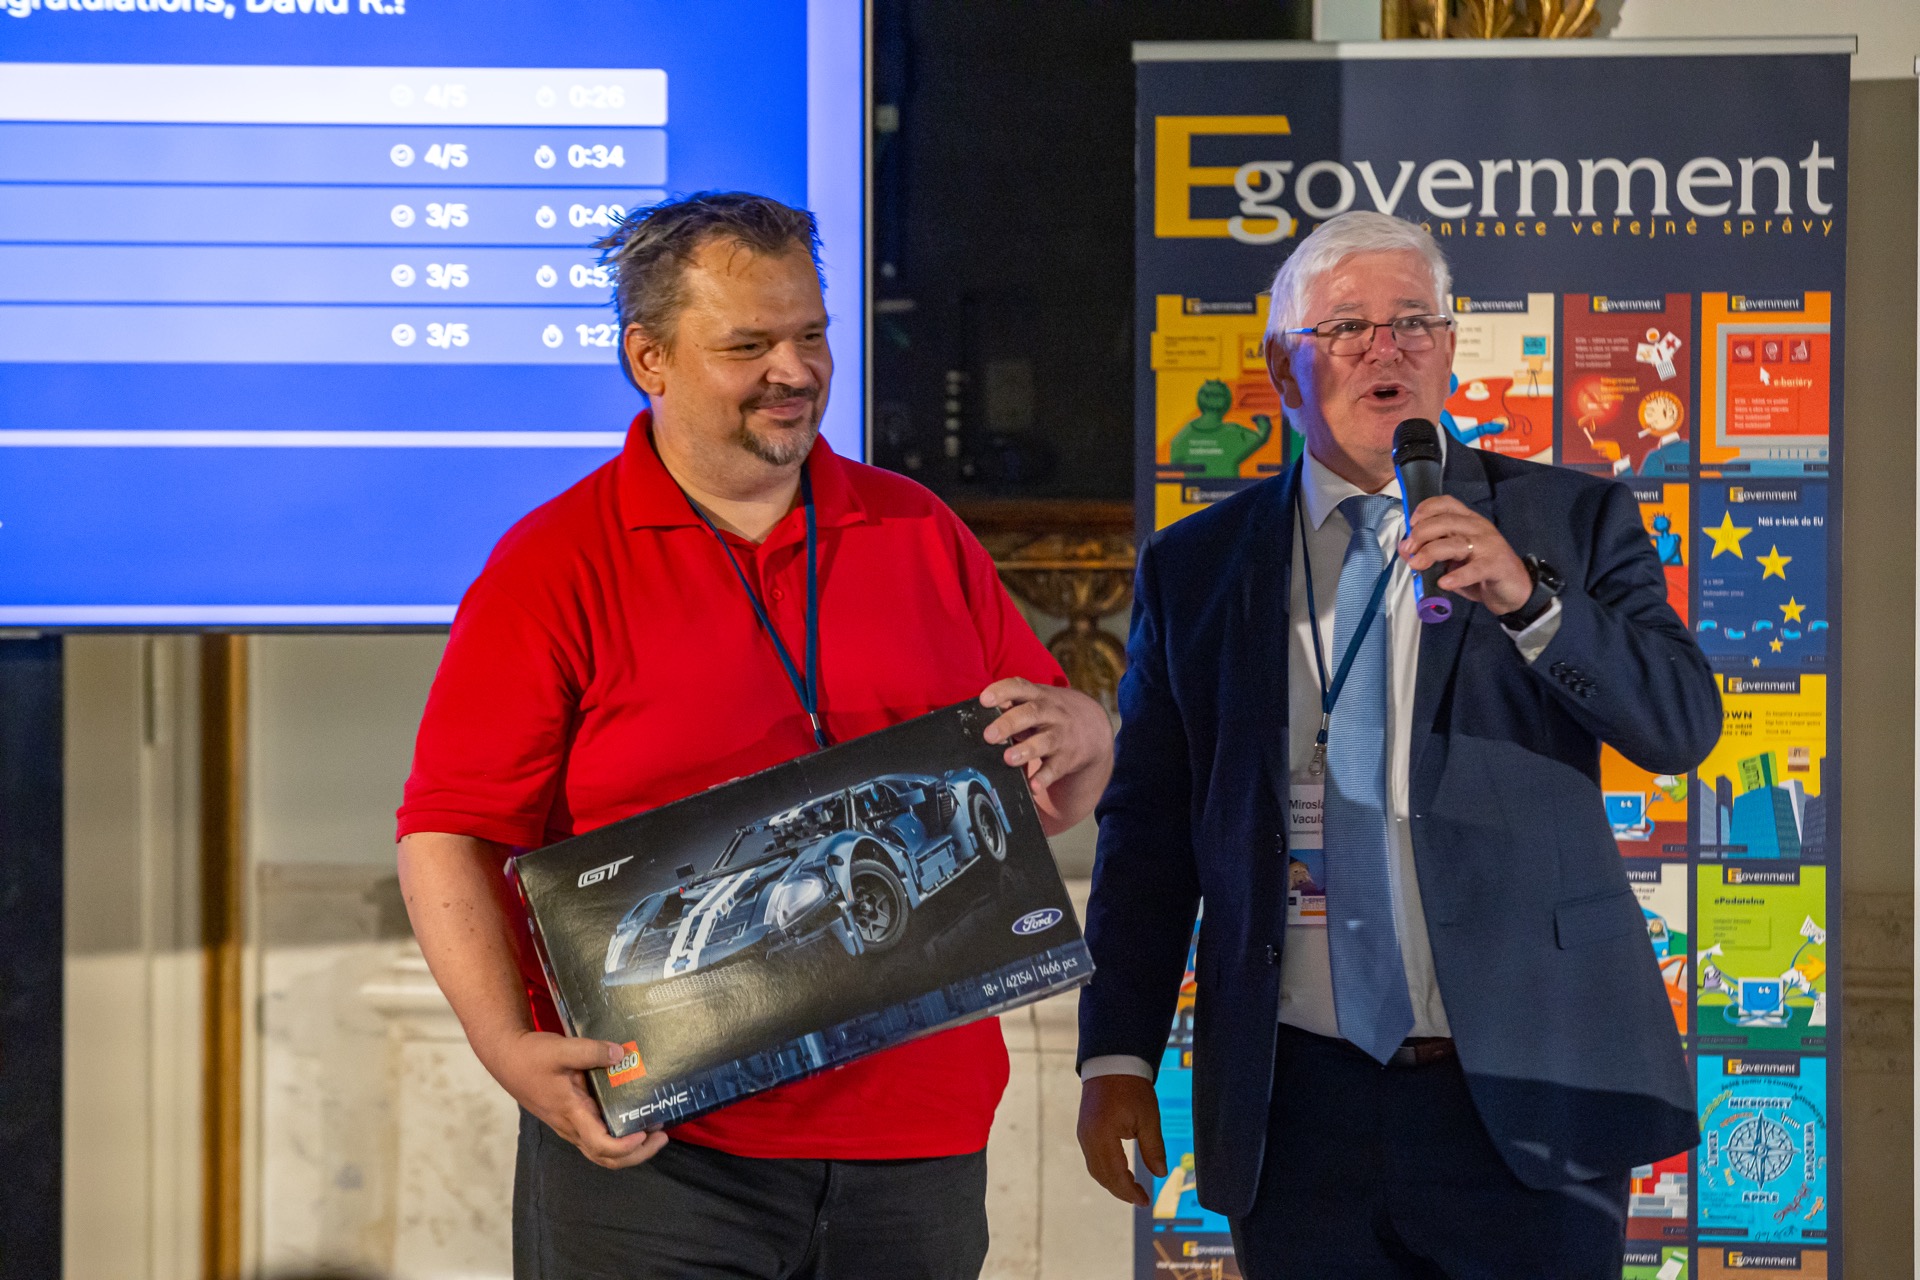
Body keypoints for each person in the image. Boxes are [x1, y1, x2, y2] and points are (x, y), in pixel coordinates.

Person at [396, 192, 1113, 1280]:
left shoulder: (920, 530)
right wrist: (504, 1045)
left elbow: (1041, 795)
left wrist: (1088, 733)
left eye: (811, 334)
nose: (795, 369)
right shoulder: (551, 565)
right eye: (748, 345)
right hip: (663, 1159)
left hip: (917, 1144)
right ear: (649, 357)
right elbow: (449, 829)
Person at [1074, 211, 1719, 1279]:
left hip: (1523, 1093)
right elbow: (1149, 832)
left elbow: (1679, 725)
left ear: (1450, 348)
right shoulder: (1197, 567)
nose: (1391, 349)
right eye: (1348, 328)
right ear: (1282, 368)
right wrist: (1117, 1050)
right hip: (1298, 1105)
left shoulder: (1568, 521)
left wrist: (1530, 601)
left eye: (1416, 321)